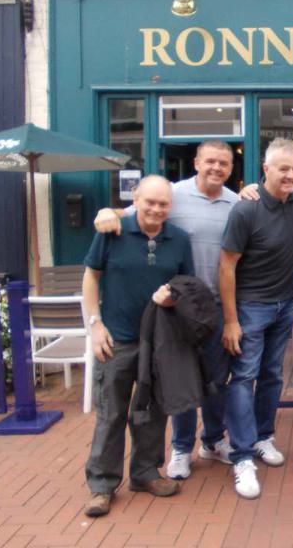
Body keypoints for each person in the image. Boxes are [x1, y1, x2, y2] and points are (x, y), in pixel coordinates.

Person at [93, 140, 238, 480]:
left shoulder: (236, 203)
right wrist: (107, 212)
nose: (216, 168)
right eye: (210, 161)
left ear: (231, 168)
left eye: (224, 163)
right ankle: (181, 448)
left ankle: (213, 441)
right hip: (173, 314)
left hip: (213, 308)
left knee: (213, 381)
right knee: (178, 382)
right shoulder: (173, 193)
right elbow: (134, 211)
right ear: (197, 163)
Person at [82, 175, 194, 517]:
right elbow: (91, 276)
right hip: (116, 339)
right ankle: (102, 485)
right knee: (111, 413)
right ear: (135, 200)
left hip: (159, 341)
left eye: (163, 204)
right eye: (150, 202)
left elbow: (186, 285)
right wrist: (94, 324)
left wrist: (174, 296)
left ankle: (145, 473)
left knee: (152, 411)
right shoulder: (112, 231)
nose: (156, 209)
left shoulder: (179, 239)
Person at [219, 138, 293, 499]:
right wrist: (231, 320)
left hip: (284, 305)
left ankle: (262, 437)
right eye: (283, 169)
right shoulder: (245, 210)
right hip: (250, 307)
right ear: (266, 169)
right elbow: (226, 266)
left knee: (272, 376)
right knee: (243, 378)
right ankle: (240, 456)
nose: (290, 176)